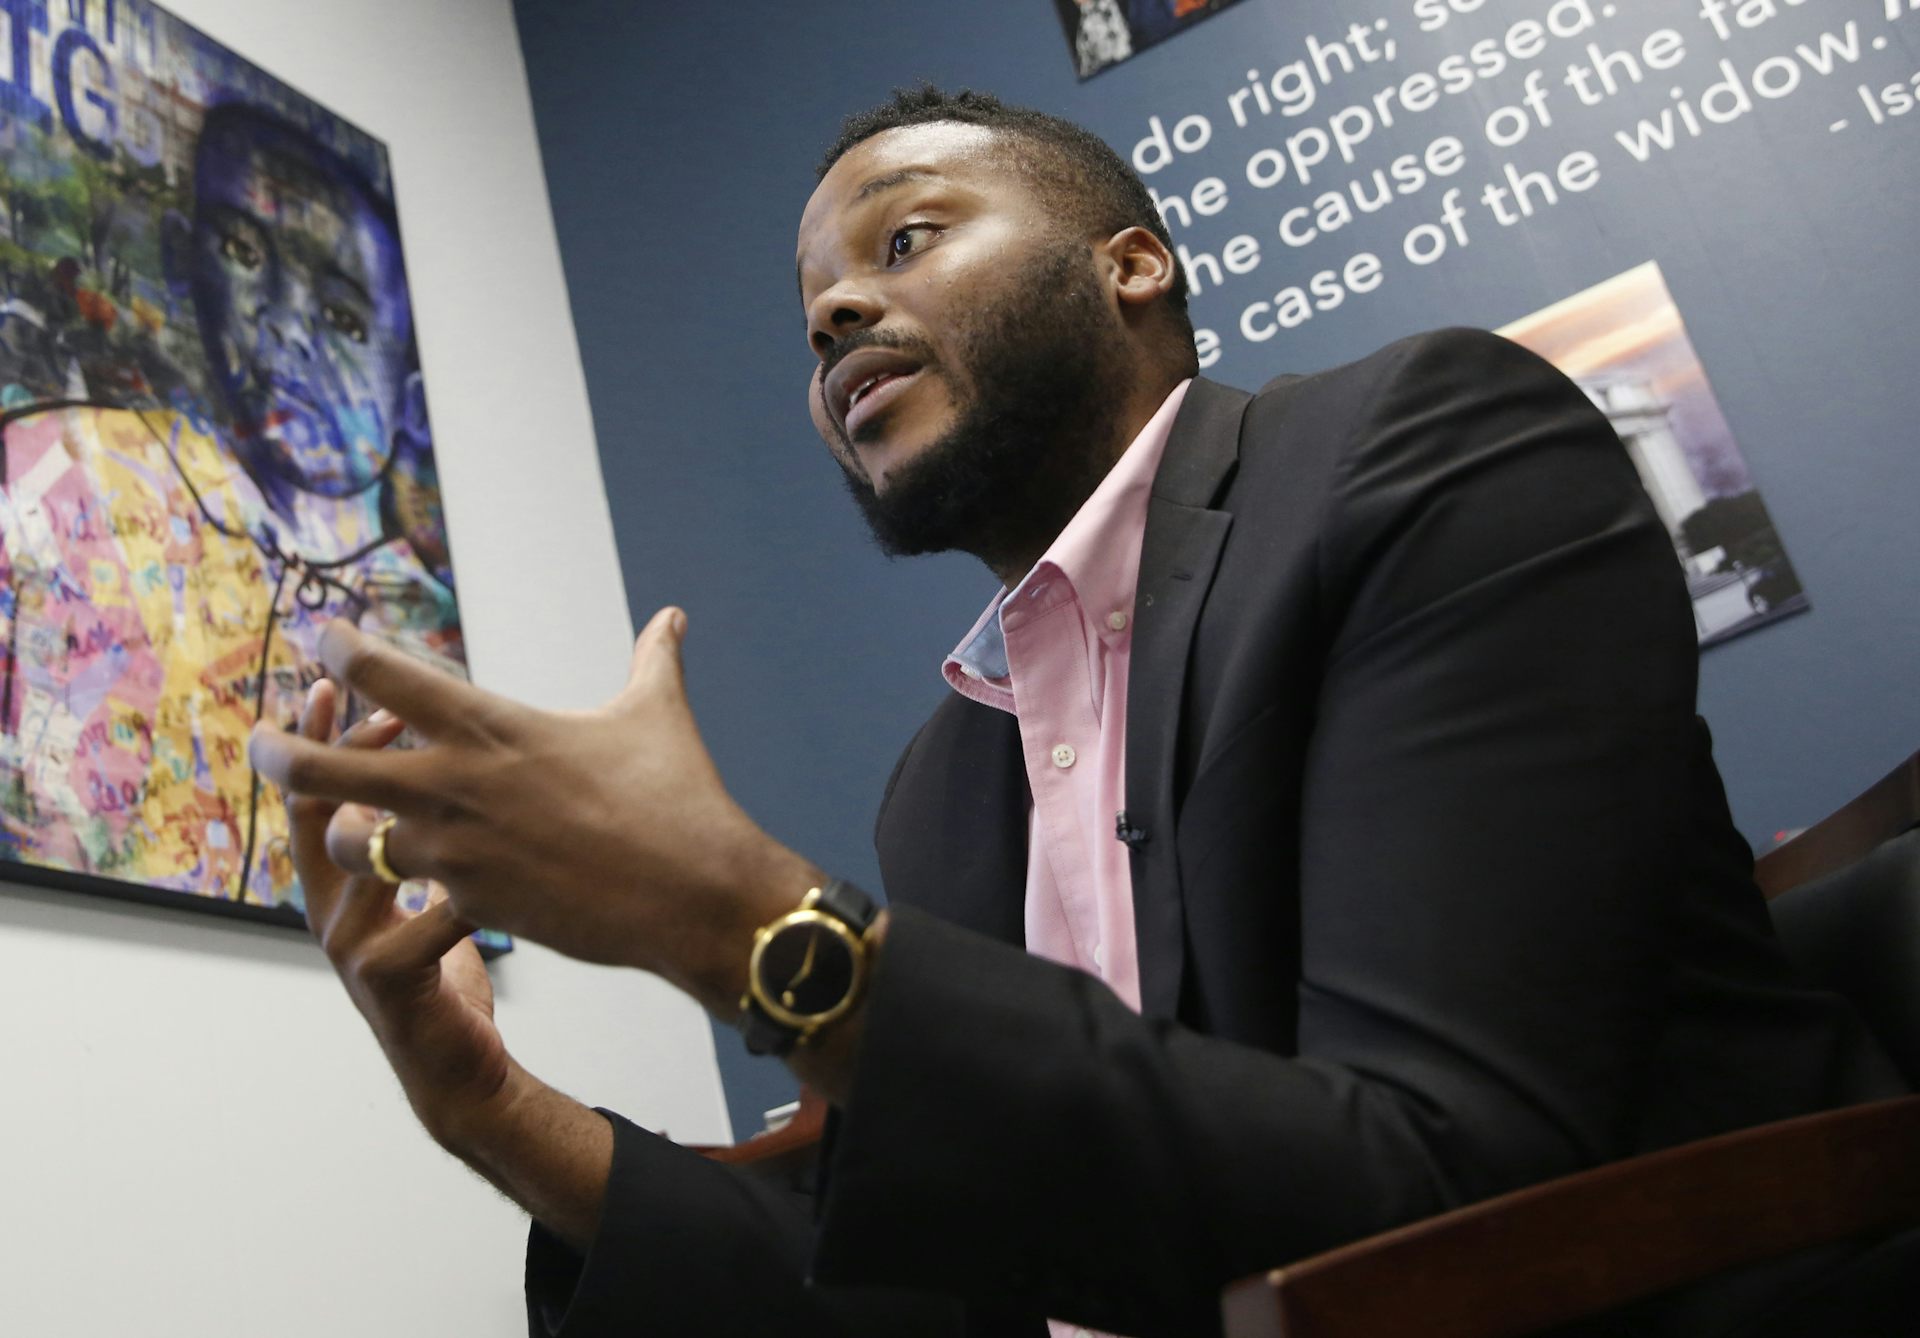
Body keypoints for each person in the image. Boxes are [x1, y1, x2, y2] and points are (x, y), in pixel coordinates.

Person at [252, 89, 1906, 1337]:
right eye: (812, 307)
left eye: (905, 242)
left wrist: (741, 925)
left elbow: (1444, 1182)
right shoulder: (949, 781)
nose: (834, 313)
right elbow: (974, 1276)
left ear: (1131, 266)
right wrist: (498, 1111)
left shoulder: (1418, 451)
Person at [0, 103, 459, 907]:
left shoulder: (429, 640)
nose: (281, 325)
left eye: (344, 317)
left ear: (411, 404)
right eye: (244, 252)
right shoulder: (60, 472)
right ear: (182, 258)